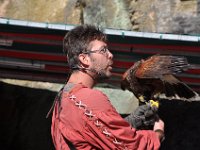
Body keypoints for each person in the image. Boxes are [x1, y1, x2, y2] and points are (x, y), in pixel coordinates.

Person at [51, 24, 165, 150]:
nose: (110, 55)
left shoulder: (63, 97)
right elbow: (129, 147)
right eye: (103, 50)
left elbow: (94, 135)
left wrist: (131, 121)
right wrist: (157, 134)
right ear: (84, 59)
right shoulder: (88, 99)